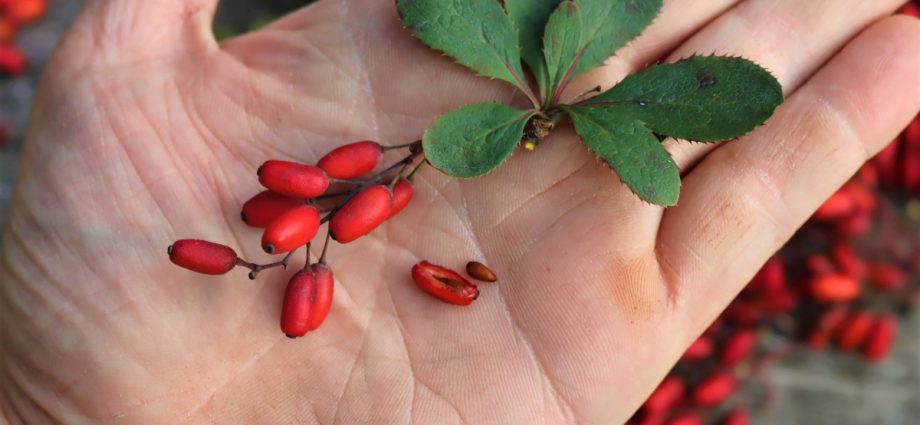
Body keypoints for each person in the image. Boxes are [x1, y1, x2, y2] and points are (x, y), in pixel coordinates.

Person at [1, 0, 918, 423]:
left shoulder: (334, 210)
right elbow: (302, 213)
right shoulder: (343, 210)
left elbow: (297, 213)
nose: (283, 244)